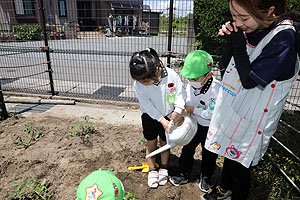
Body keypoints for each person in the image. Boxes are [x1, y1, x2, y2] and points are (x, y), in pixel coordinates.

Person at [201, 0, 299, 200]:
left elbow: (248, 80)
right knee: (229, 154)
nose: (237, 21)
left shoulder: (283, 39)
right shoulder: (256, 27)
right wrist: (231, 41)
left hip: (254, 120)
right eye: (233, 15)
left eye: (243, 17)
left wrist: (237, 43)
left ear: (270, 10)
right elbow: (230, 65)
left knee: (240, 168)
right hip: (235, 109)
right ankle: (224, 190)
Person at [129, 48, 186, 188]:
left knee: (165, 142)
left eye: (144, 80)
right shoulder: (138, 84)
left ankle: (164, 167)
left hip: (168, 115)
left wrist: (177, 111)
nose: (142, 83)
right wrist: (162, 120)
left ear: (155, 70)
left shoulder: (171, 76)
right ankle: (152, 169)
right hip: (150, 117)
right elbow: (147, 106)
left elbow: (180, 94)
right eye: (139, 81)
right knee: (150, 142)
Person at [169, 50, 219, 193]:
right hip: (194, 124)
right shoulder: (192, 84)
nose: (191, 82)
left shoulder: (216, 89)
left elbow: (212, 113)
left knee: (209, 153)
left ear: (209, 75)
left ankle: (206, 176)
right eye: (189, 79)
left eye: (195, 79)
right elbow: (186, 98)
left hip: (210, 127)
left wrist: (193, 109)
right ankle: (184, 174)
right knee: (187, 149)